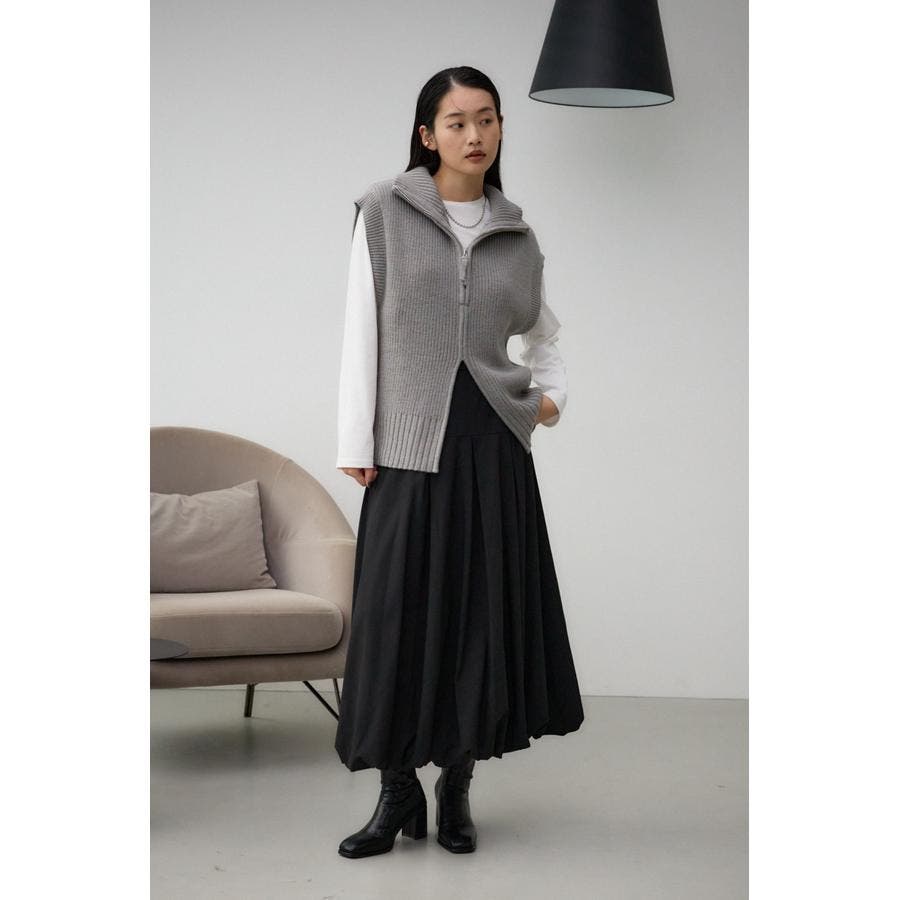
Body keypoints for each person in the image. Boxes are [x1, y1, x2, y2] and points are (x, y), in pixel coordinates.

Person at [333, 66, 584, 859]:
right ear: (427, 134)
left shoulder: (517, 234)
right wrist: (356, 441)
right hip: (409, 446)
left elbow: (543, 334)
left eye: (487, 119)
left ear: (501, 128)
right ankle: (395, 791)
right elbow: (360, 327)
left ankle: (458, 785)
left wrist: (548, 400)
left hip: (493, 449)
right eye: (456, 121)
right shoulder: (384, 210)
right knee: (397, 617)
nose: (474, 135)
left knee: (480, 617)